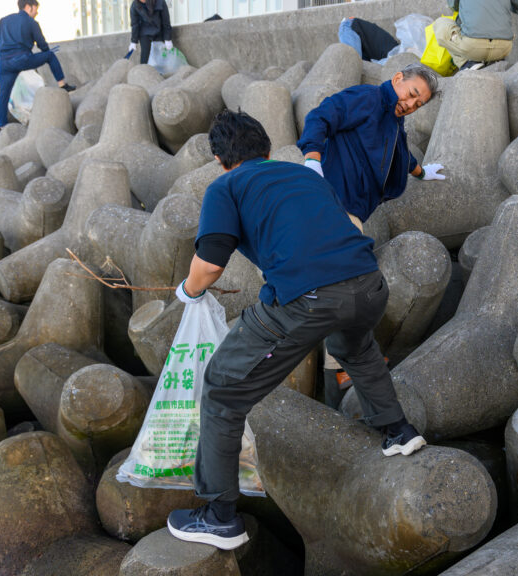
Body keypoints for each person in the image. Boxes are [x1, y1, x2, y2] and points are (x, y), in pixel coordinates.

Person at [166, 110, 427, 551]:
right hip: (368, 284)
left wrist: (188, 293)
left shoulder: (225, 186)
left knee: (223, 390)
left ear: (218, 159)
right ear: (267, 150)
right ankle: (400, 432)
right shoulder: (304, 176)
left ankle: (218, 515)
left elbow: (210, 264)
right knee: (356, 347)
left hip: (309, 298)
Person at [296, 63, 444, 408]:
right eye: (411, 95)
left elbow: (399, 153)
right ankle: (344, 365)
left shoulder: (393, 120)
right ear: (397, 80)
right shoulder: (365, 99)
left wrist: (422, 172)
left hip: (352, 212)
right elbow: (321, 116)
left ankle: (342, 366)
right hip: (335, 205)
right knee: (351, 284)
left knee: (339, 285)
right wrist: (312, 159)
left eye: (418, 103)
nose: (410, 104)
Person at [0, 0, 74, 128]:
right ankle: (63, 85)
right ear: (29, 7)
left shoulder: (3, 21)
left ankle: (2, 124)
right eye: (36, 8)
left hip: (4, 63)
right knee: (50, 56)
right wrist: (47, 52)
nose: (37, 12)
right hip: (22, 59)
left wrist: (7, 50)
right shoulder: (31, 22)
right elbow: (42, 44)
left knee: (4, 94)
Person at [432, 0, 518, 71]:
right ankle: (492, 61)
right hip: (504, 48)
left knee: (440, 23)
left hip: (472, 47)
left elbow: (453, 6)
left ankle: (467, 64)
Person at [129, 0, 173, 67]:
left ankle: (161, 73)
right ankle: (143, 73)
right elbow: (135, 25)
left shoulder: (160, 2)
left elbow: (166, 21)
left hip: (159, 31)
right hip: (144, 33)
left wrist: (168, 38)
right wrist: (133, 41)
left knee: (160, 56)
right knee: (145, 56)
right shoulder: (135, 5)